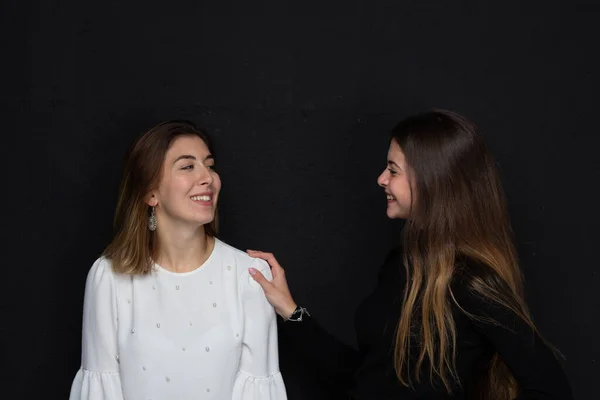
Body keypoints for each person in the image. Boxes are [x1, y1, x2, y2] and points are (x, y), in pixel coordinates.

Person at [247, 109, 573, 399]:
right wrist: (291, 311)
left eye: (393, 169)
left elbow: (551, 389)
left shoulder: (472, 282)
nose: (381, 179)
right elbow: (365, 378)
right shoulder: (400, 265)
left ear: (432, 180)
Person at [69, 121, 287, 400]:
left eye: (209, 165)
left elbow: (258, 391)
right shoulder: (109, 276)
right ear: (150, 193)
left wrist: (293, 312)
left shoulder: (250, 276)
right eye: (187, 166)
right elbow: (100, 390)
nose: (207, 177)